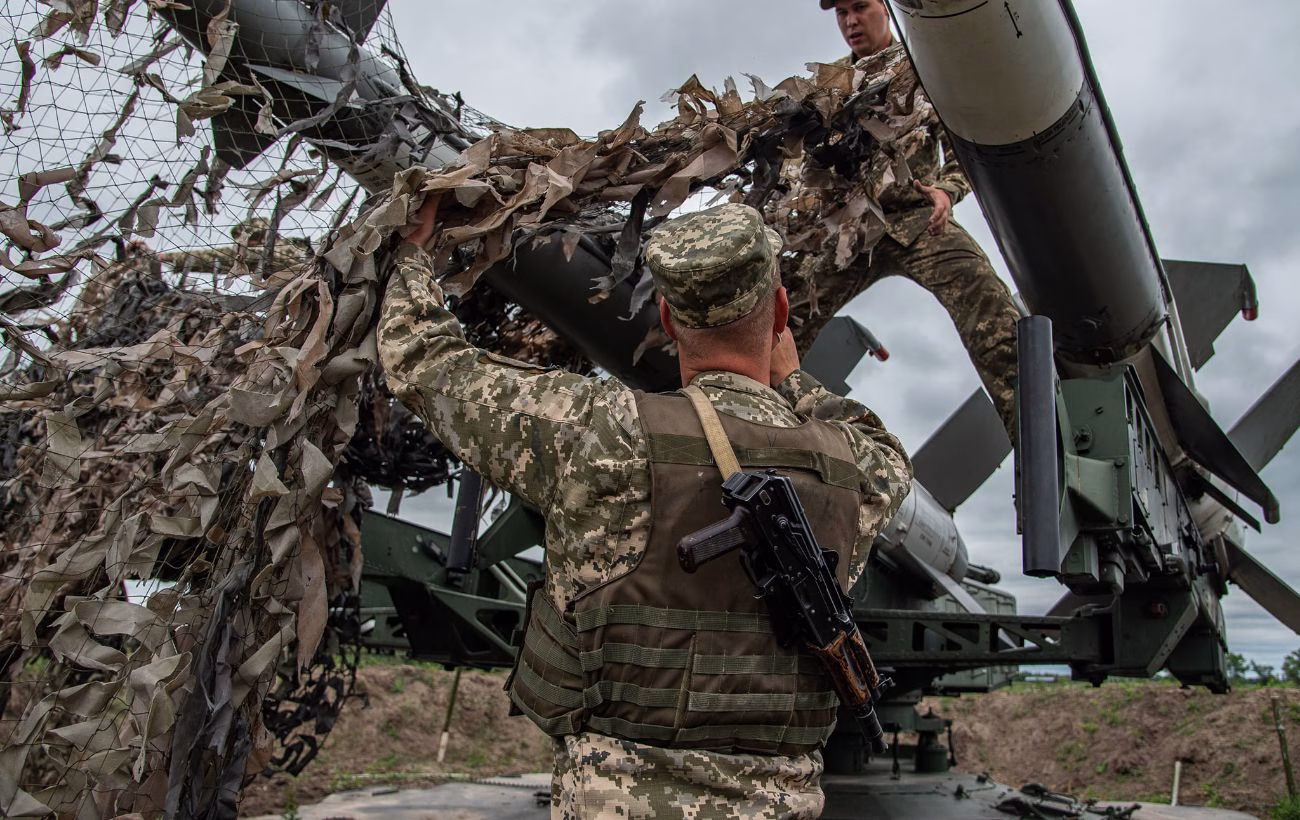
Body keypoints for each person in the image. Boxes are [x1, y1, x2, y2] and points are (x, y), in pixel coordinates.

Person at [379, 199, 912, 818]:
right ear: (781, 314)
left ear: (664, 316)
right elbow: (884, 449)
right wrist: (796, 380)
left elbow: (426, 363)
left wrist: (414, 255)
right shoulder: (859, 468)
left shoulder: (598, 429)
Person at [798, 0, 1022, 436]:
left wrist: (946, 190)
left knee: (991, 306)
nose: (850, 21)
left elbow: (963, 144)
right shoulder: (830, 88)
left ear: (885, 7)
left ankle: (1037, 438)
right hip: (851, 233)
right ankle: (750, 430)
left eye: (860, 7)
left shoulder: (924, 70)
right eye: (841, 13)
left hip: (920, 222)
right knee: (784, 315)